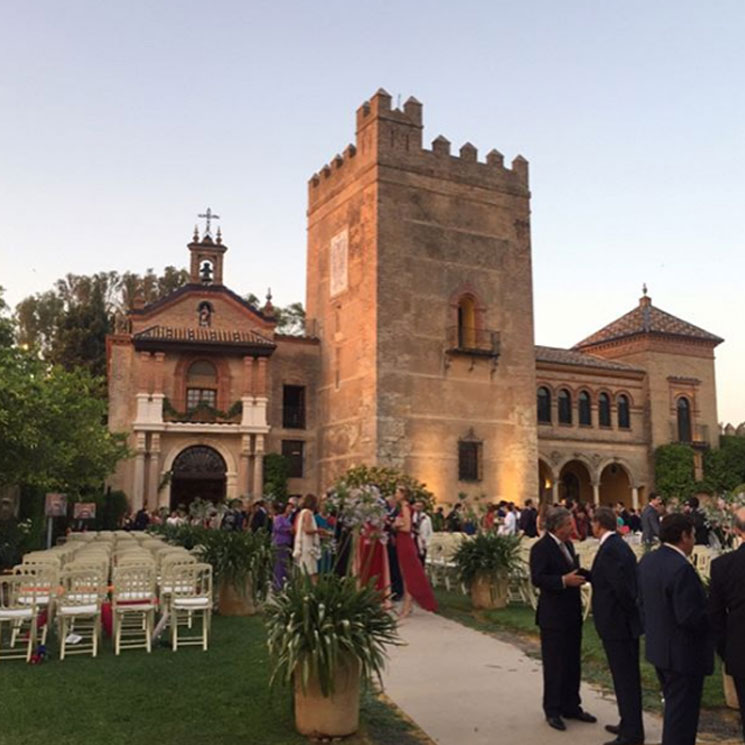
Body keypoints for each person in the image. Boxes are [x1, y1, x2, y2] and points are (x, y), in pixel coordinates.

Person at [638, 513, 713, 745]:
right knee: (682, 718)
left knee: (674, 709)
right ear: (684, 536)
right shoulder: (681, 569)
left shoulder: (648, 561)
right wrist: (714, 614)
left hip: (659, 647)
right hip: (683, 654)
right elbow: (689, 616)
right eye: (692, 535)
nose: (693, 540)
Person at [530, 506, 596, 731]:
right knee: (555, 663)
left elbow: (571, 569)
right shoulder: (541, 548)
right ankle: (553, 709)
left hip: (571, 613)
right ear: (558, 527)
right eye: (569, 525)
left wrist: (587, 574)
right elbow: (538, 578)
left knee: (572, 662)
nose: (573, 528)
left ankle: (571, 705)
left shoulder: (568, 545)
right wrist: (562, 581)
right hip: (553, 616)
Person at [589, 506, 644, 745]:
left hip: (617, 623)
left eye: (593, 523)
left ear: (599, 525)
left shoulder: (611, 549)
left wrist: (627, 611)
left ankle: (632, 732)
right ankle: (628, 721)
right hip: (620, 622)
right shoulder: (618, 546)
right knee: (624, 676)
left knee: (625, 678)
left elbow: (620, 587)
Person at [708, 506, 745, 739]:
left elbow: (715, 615)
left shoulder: (723, 565)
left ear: (736, 531)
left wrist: (725, 649)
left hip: (740, 647)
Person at [394, 485, 437, 617]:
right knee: (405, 574)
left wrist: (395, 526)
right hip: (402, 542)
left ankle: (407, 608)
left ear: (403, 494)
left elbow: (407, 528)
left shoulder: (405, 507)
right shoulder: (404, 507)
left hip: (405, 543)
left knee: (408, 575)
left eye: (396, 492)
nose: (395, 495)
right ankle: (408, 606)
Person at [293, 494, 324, 583]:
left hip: (303, 543)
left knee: (304, 570)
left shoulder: (301, 513)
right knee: (311, 571)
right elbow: (307, 529)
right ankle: (311, 591)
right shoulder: (308, 513)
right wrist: (319, 531)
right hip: (307, 545)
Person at [271, 501, 294, 590]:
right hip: (279, 542)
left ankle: (283, 583)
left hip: (286, 543)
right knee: (279, 564)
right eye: (289, 508)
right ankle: (277, 584)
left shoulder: (288, 519)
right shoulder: (280, 518)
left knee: (284, 564)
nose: (290, 510)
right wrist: (288, 529)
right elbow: (277, 528)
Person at [413, 500, 433, 566]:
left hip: (423, 542)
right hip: (413, 541)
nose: (418, 508)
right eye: (417, 506)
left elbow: (430, 532)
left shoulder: (427, 518)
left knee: (421, 561)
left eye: (420, 506)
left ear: (423, 507)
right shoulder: (411, 516)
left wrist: (427, 542)